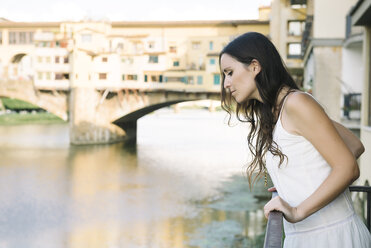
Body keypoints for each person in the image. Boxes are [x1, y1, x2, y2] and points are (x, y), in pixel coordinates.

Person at [219, 32, 371, 247]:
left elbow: (348, 167)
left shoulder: (296, 103)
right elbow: (354, 145)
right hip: (307, 237)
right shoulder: (279, 109)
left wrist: (298, 210)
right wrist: (291, 183)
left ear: (254, 66)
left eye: (230, 72)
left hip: (330, 238)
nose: (226, 83)